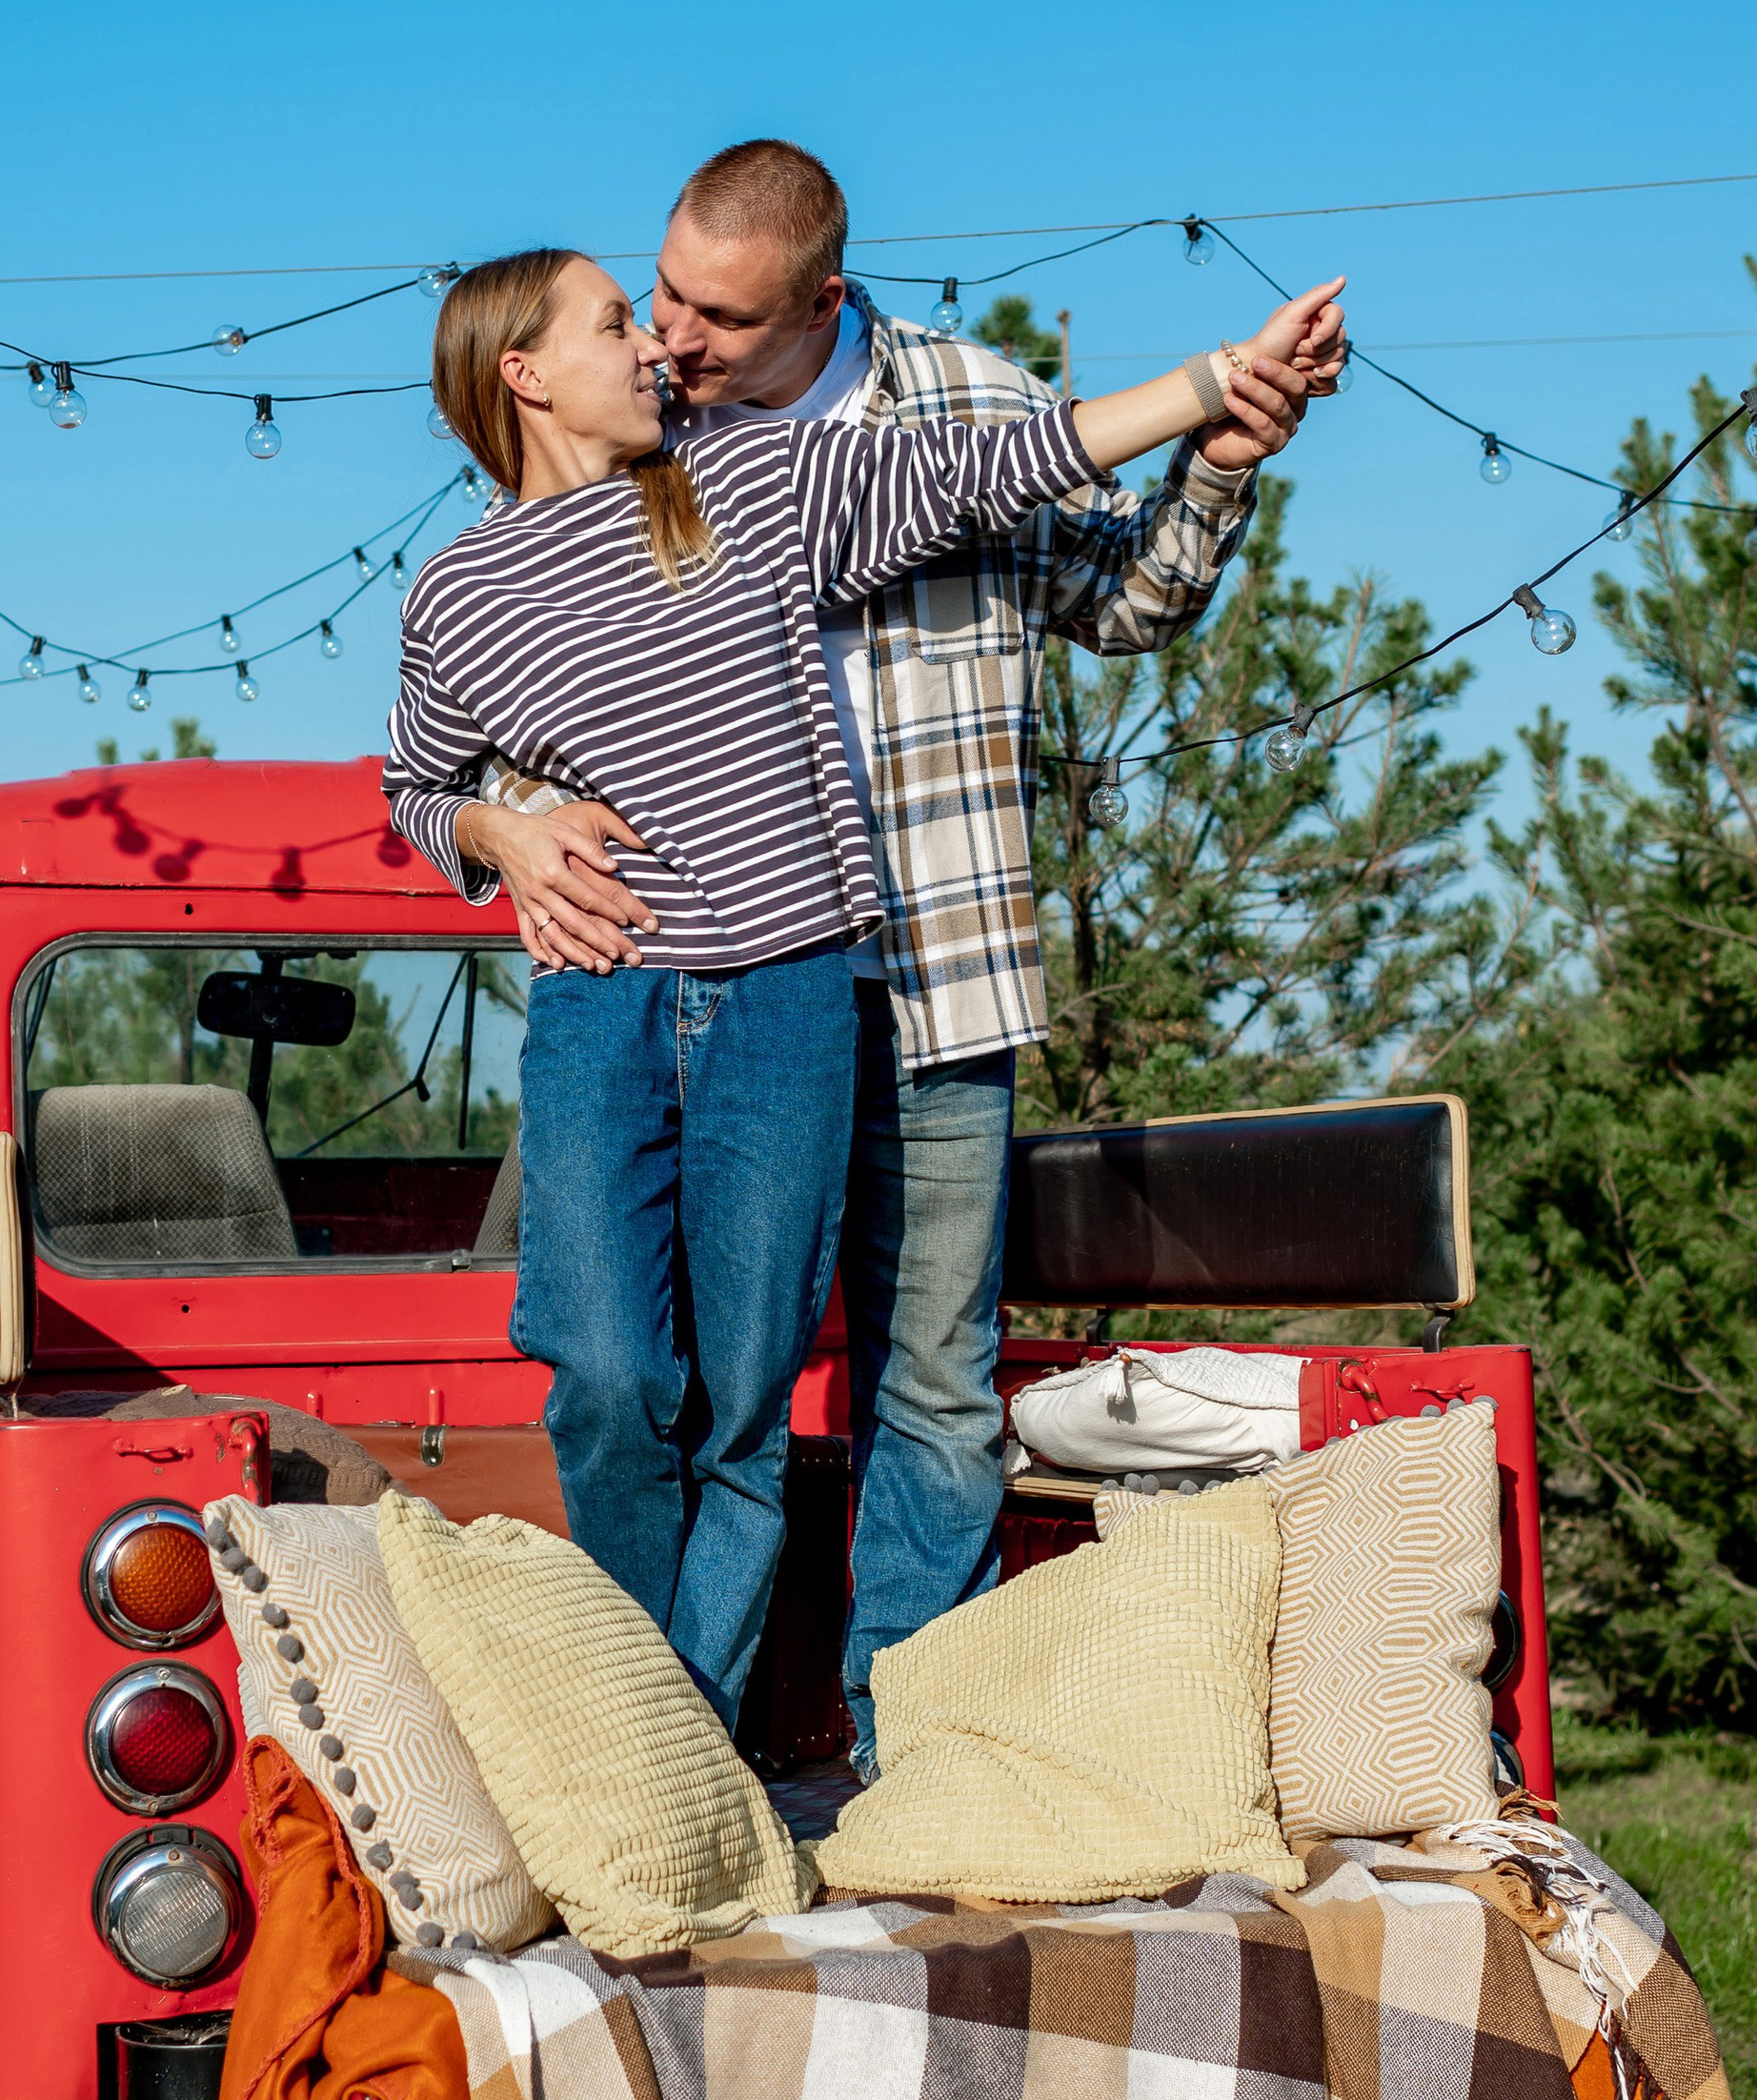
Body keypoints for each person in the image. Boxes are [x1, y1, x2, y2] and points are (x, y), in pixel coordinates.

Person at [453, 144, 1343, 1767]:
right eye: (655, 298)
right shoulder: (645, 442)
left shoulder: (961, 408)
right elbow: (506, 704)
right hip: (707, 986)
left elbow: (1129, 599)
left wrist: (1217, 458)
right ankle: (662, 1748)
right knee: (664, 1378)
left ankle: (901, 1759)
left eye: (714, 314)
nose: (673, 335)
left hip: (939, 966)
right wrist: (493, 828)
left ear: (822, 303)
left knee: (930, 1392)